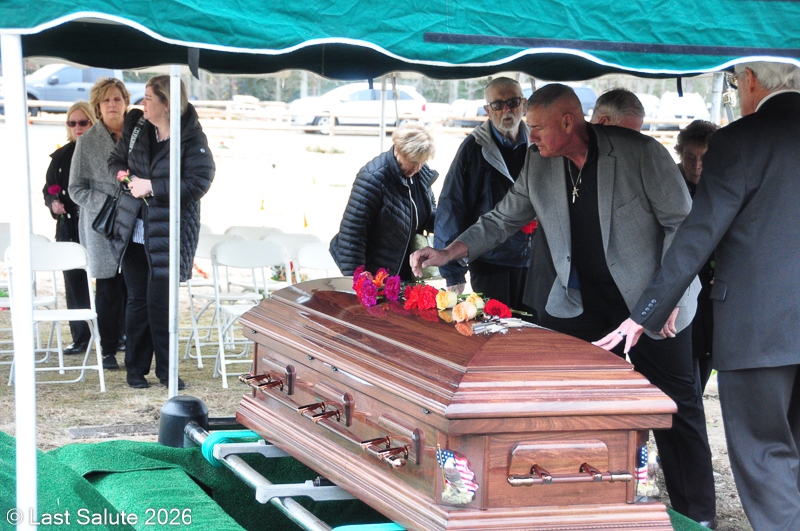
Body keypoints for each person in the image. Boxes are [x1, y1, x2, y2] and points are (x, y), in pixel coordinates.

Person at [411, 84, 717, 528]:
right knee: (570, 405)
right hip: (582, 305)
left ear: (568, 122)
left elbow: (682, 226)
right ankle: (581, 503)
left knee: (675, 408)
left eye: (537, 127)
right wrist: (448, 252)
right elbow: (502, 219)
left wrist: (667, 296)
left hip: (654, 305)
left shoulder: (641, 153)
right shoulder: (538, 161)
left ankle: (697, 518)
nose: (529, 136)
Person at [597, 61, 800, 531]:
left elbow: (697, 234)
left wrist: (644, 313)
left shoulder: (739, 140)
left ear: (751, 80)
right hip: (769, 330)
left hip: (758, 330)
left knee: (765, 455)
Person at [108, 75, 215, 390]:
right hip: (134, 229)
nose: (142, 103)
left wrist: (153, 186)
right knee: (137, 300)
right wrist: (124, 177)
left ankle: (167, 372)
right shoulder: (137, 126)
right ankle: (135, 370)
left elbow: (199, 182)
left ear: (167, 104)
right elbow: (116, 160)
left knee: (161, 303)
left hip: (169, 233)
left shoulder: (191, 137)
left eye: (149, 98)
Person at [527, 87, 647, 322]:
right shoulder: (540, 158)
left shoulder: (638, 161)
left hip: (622, 300)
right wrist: (455, 250)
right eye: (629, 135)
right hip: (560, 295)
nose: (632, 144)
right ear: (603, 122)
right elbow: (505, 216)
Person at [434, 77, 532, 310]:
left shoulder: (538, 144)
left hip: (534, 263)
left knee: (533, 328)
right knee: (495, 327)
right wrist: (452, 272)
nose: (507, 110)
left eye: (513, 102)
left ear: (524, 104)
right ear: (488, 110)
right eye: (498, 105)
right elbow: (452, 206)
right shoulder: (473, 149)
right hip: (490, 262)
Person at [69, 78, 132, 370]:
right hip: (101, 225)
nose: (112, 105)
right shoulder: (86, 141)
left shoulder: (140, 135)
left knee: (135, 286)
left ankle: (134, 346)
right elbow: (75, 188)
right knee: (107, 288)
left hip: (136, 221)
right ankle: (108, 350)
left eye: (117, 99)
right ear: (97, 106)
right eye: (106, 100)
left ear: (126, 103)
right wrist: (106, 202)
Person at [329, 123, 437, 281]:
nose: (417, 168)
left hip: (404, 273)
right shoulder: (373, 177)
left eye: (422, 162)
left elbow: (427, 214)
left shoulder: (420, 177)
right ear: (398, 150)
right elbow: (352, 234)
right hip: (375, 275)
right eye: (413, 161)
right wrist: (357, 279)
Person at [43, 101, 97, 355]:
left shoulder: (103, 152)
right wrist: (53, 203)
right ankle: (80, 337)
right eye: (72, 123)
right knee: (74, 282)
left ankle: (115, 334)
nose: (78, 127)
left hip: (97, 225)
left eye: (83, 122)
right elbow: (48, 188)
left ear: (92, 122)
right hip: (69, 227)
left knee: (110, 282)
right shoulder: (60, 157)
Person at [675, 120, 718, 395]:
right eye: (690, 157)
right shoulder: (670, 182)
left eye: (704, 158)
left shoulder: (724, 182)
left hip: (713, 282)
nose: (697, 165)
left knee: (708, 349)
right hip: (681, 280)